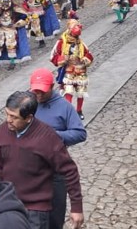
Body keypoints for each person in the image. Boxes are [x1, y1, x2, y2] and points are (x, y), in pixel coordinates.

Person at [0, 91, 85, 229]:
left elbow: (69, 171)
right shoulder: (2, 130)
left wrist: (76, 207)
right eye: (7, 114)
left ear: (29, 118)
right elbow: (0, 166)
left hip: (35, 210)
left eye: (14, 117)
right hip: (9, 204)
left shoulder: (47, 137)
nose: (8, 120)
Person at [29, 69, 87, 229]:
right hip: (31, 170)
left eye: (43, 91)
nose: (39, 95)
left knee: (54, 218)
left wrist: (54, 136)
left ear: (52, 86)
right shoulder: (28, 102)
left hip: (55, 171)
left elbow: (80, 133)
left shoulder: (64, 107)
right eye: (36, 91)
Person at [49, 19, 94, 119]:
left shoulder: (80, 43)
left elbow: (89, 54)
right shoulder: (62, 42)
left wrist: (85, 60)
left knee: (80, 92)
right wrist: (63, 59)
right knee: (68, 91)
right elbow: (53, 56)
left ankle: (79, 110)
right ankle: (69, 112)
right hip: (68, 71)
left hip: (80, 70)